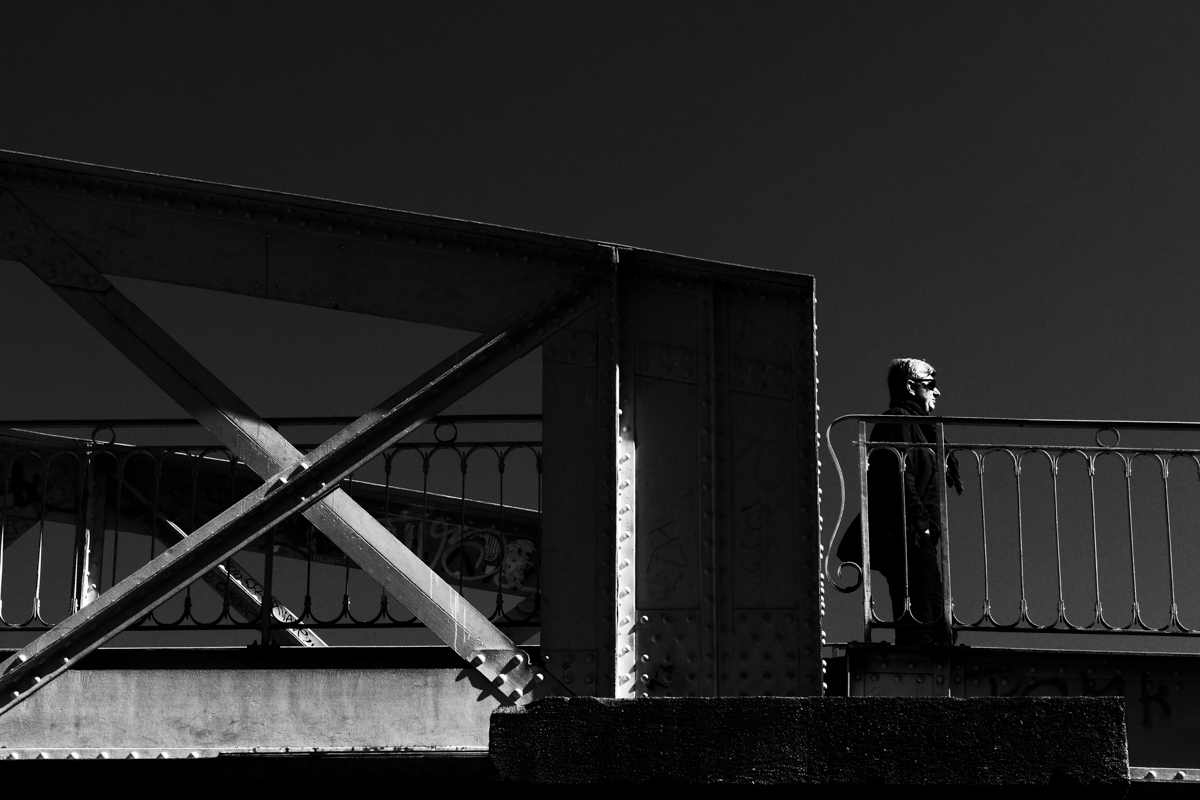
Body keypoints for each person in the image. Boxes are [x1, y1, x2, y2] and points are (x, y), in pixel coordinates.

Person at [841, 358, 962, 645]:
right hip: (906, 534)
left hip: (921, 536)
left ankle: (933, 669)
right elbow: (897, 474)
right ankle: (921, 673)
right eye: (930, 385)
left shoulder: (924, 429)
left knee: (937, 619)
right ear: (910, 387)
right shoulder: (897, 419)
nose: (937, 392)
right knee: (918, 617)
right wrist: (921, 523)